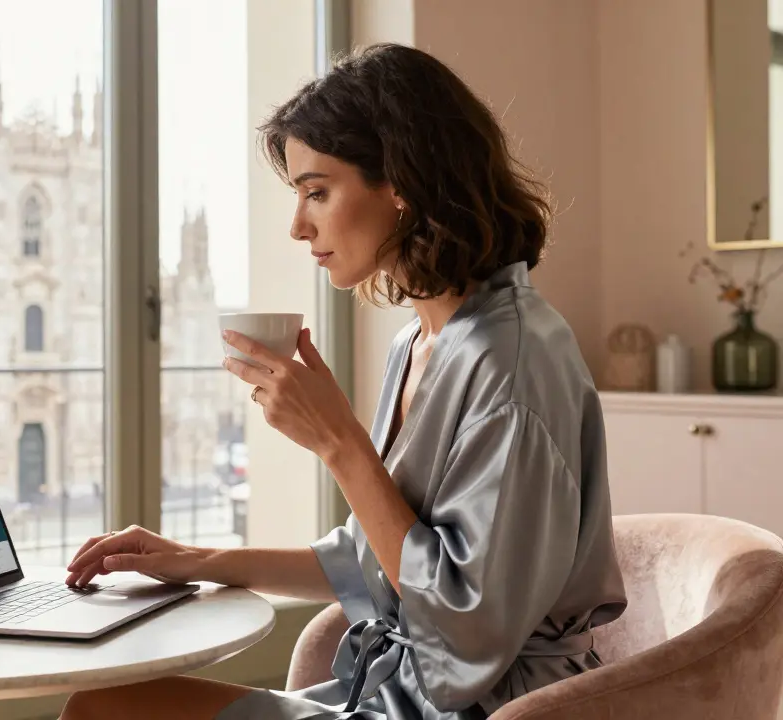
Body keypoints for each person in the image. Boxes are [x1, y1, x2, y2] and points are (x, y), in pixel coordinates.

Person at [58, 42, 627, 720]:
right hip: (395, 693)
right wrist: (190, 559)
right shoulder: (419, 342)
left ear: (402, 185)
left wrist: (339, 443)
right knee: (106, 703)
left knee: (106, 711)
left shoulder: (515, 363)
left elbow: (466, 634)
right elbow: (373, 560)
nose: (299, 226)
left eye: (317, 193)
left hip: (485, 709)